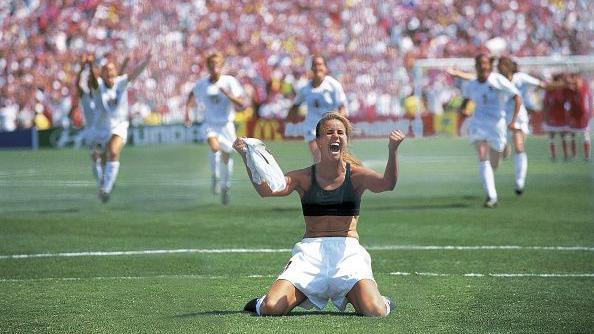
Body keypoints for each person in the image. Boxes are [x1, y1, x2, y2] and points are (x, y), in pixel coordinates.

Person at [234, 112, 404, 316]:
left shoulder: (357, 175)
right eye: (329, 132)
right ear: (318, 141)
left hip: (347, 253)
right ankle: (286, 295)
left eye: (340, 132)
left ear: (346, 140)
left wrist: (393, 149)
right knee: (271, 308)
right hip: (310, 255)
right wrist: (246, 156)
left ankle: (379, 299)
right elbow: (267, 190)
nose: (336, 136)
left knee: (375, 311)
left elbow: (387, 183)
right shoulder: (303, 177)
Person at [457, 54, 522, 208]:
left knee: (495, 163)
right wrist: (463, 110)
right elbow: (466, 100)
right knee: (482, 156)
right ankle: (491, 197)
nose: (483, 67)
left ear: (490, 66)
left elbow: (517, 97)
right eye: (480, 64)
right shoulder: (471, 85)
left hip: (497, 125)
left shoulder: (498, 80)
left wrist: (513, 121)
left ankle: (504, 148)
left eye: (486, 64)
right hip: (478, 124)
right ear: (477, 66)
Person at [87, 51, 151, 203]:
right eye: (106, 70)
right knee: (98, 159)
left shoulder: (121, 82)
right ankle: (104, 183)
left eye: (111, 69)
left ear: (116, 72)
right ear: (101, 74)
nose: (109, 72)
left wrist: (146, 61)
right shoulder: (98, 86)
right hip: (101, 129)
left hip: (119, 126)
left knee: (113, 152)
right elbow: (93, 81)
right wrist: (90, 66)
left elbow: (134, 73)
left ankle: (106, 190)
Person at [184, 52, 247, 204]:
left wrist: (228, 95)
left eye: (217, 64)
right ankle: (215, 177)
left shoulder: (230, 81)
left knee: (227, 157)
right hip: (209, 124)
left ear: (221, 65)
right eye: (211, 64)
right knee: (214, 147)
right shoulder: (202, 84)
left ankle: (226, 187)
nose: (214, 67)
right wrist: (187, 112)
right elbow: (191, 95)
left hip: (226, 125)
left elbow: (241, 103)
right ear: (208, 66)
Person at [286, 56, 348, 163]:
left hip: (331, 129)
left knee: (336, 160)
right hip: (312, 129)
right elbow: (295, 106)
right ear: (311, 68)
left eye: (320, 64)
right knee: (320, 159)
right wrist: (288, 121)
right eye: (314, 65)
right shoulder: (305, 88)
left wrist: (340, 126)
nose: (317, 67)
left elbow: (342, 107)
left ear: (326, 68)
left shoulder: (333, 85)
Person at [542, 73, 570, 161]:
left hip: (561, 117)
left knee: (563, 137)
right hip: (552, 117)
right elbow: (545, 104)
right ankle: (553, 156)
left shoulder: (563, 90)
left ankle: (565, 155)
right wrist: (545, 117)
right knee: (552, 137)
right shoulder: (549, 91)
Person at [565, 73, 592, 161]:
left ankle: (587, 155)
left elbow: (589, 103)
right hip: (574, 115)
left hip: (583, 116)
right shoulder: (570, 91)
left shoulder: (585, 89)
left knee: (585, 135)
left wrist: (589, 114)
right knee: (572, 135)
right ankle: (574, 155)